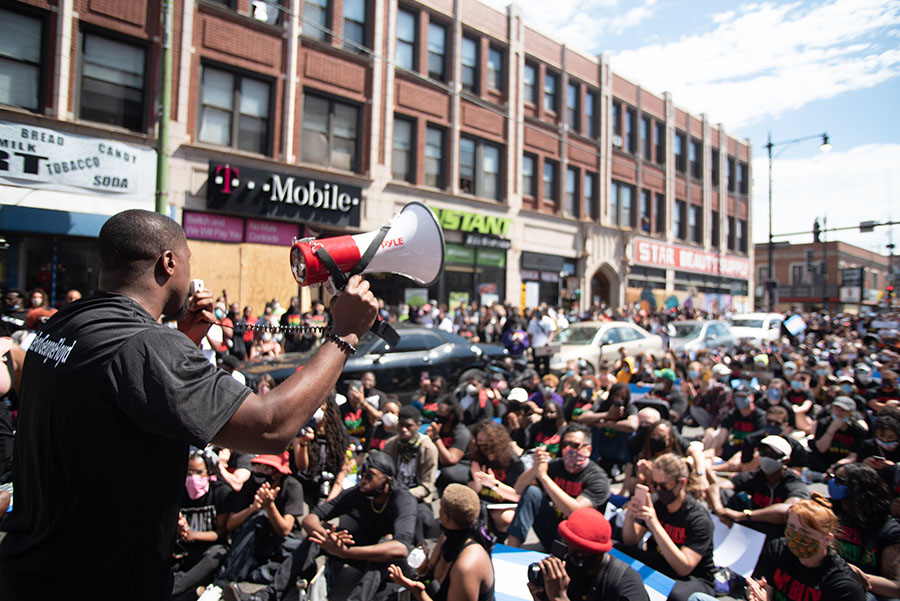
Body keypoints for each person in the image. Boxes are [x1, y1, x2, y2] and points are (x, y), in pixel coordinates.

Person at [0, 209, 378, 600]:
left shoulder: (62, 325)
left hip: (30, 570)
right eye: (188, 262)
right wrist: (345, 332)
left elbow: (115, 405)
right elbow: (270, 426)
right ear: (168, 263)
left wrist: (184, 343)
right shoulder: (145, 346)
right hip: (97, 582)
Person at [224, 452, 417, 601]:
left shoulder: (403, 499)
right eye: (362, 474)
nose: (363, 481)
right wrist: (326, 539)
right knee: (315, 537)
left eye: (370, 476)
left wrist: (348, 553)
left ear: (387, 480)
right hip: (354, 549)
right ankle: (267, 595)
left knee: (385, 548)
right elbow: (311, 518)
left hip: (390, 565)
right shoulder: (358, 492)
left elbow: (400, 548)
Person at [621, 453, 716, 601]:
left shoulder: (699, 519)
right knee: (616, 551)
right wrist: (629, 516)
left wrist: (654, 525)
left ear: (681, 483)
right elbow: (630, 541)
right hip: (661, 562)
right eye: (655, 484)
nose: (658, 490)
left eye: (665, 486)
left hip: (694, 578)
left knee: (675, 595)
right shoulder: (656, 502)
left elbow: (683, 568)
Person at [508, 423, 610, 551]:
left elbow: (575, 512)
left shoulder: (597, 478)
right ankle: (511, 549)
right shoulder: (556, 466)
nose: (568, 449)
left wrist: (544, 477)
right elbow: (518, 489)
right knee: (532, 492)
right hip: (553, 530)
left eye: (574, 445)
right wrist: (536, 467)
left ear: (588, 450)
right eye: (564, 444)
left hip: (578, 541)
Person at [746, 496, 866, 601]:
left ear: (827, 539)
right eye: (792, 527)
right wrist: (755, 593)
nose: (796, 536)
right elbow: (763, 585)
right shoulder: (777, 550)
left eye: (805, 531)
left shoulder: (843, 585)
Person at [387, 484, 495, 601]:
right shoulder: (446, 537)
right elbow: (431, 579)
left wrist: (419, 594)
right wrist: (423, 571)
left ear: (446, 517)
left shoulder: (467, 565)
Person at [217, 452, 307, 585]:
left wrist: (270, 507)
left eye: (267, 469)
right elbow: (230, 524)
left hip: (282, 542)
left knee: (302, 562)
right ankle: (224, 580)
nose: (261, 472)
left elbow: (285, 530)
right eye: (258, 467)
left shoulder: (292, 486)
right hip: (256, 540)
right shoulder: (251, 484)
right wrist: (253, 508)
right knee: (259, 517)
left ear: (279, 473)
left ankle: (256, 573)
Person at [527, 507, 649, 601]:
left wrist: (559, 598)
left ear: (598, 554)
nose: (569, 558)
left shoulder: (626, 584)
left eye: (577, 554)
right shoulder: (564, 572)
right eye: (566, 547)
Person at [708, 435, 809, 541]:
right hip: (752, 529)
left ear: (785, 460)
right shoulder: (756, 475)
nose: (766, 458)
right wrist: (720, 510)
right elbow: (716, 487)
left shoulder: (793, 482)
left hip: (776, 535)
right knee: (725, 495)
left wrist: (743, 515)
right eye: (763, 453)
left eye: (772, 455)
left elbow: (789, 509)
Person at [829, 463, 900, 598]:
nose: (832, 482)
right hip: (834, 581)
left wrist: (850, 572)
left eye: (840, 480)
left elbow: (896, 588)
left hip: (868, 592)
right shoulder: (834, 513)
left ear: (857, 488)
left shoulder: (889, 531)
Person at [171, 451, 232, 601]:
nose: (193, 478)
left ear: (209, 472)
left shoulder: (220, 492)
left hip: (207, 549)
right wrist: (178, 531)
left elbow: (221, 532)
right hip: (181, 550)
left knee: (218, 553)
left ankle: (173, 589)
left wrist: (193, 535)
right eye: (189, 473)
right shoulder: (177, 491)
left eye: (199, 472)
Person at [383, 405, 440, 543]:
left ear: (418, 426)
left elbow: (427, 486)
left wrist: (405, 495)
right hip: (393, 493)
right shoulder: (391, 445)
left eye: (408, 426)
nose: (403, 429)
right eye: (400, 425)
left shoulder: (428, 449)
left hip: (417, 496)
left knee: (421, 520)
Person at [466, 419, 524, 539]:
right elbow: (471, 490)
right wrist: (478, 482)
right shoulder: (478, 458)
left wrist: (493, 484)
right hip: (483, 502)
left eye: (487, 441)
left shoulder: (513, 462)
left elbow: (517, 495)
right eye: (480, 441)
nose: (484, 445)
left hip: (504, 504)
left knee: (505, 519)